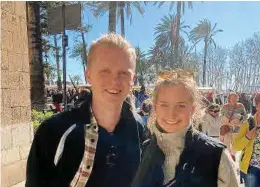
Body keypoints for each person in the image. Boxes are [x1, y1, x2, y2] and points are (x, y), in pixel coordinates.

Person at [26, 33, 146, 187]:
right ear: (88, 75)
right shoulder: (54, 131)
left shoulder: (139, 128)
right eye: (105, 71)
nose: (114, 81)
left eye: (123, 73)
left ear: (132, 80)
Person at [132, 69, 239, 187]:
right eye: (164, 105)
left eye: (181, 105)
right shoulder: (140, 151)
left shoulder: (216, 156)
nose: (171, 114)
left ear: (192, 109)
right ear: (155, 107)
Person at [232, 89, 260, 187]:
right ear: (257, 106)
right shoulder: (248, 123)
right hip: (252, 169)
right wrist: (247, 137)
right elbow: (236, 147)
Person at [220, 92, 247, 159]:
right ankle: (228, 156)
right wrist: (226, 117)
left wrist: (239, 116)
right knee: (226, 143)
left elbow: (245, 117)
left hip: (237, 127)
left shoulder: (240, 106)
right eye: (232, 98)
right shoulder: (225, 106)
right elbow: (221, 116)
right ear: (229, 98)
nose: (234, 99)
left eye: (235, 98)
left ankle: (233, 155)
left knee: (235, 144)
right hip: (227, 128)